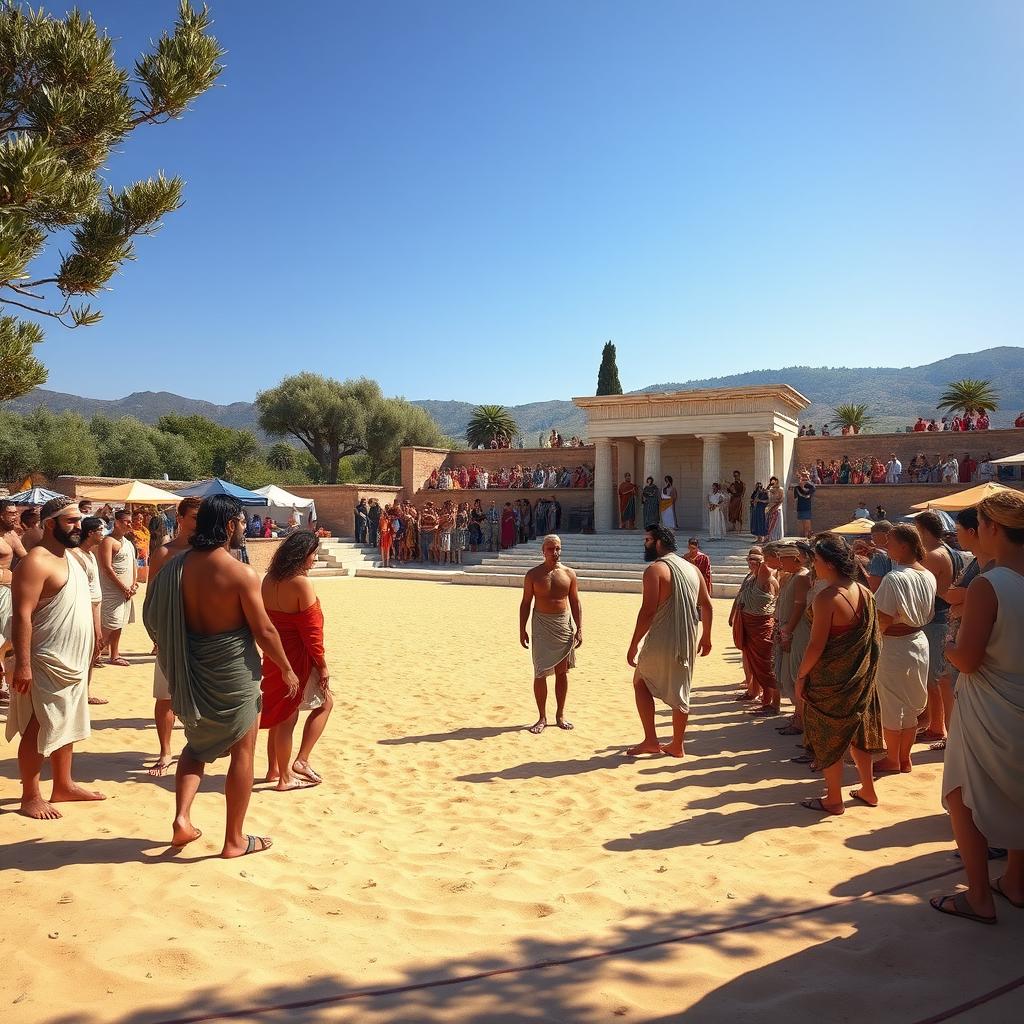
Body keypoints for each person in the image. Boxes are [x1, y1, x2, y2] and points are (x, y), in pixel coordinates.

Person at [142, 495, 299, 858]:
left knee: (195, 748)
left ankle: (182, 818)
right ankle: (234, 840)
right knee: (243, 753)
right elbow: (264, 631)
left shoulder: (174, 568)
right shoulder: (239, 572)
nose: (244, 528)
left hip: (190, 670)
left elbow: (153, 616)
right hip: (232, 674)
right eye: (241, 522)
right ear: (229, 526)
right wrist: (287, 669)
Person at [932, 491, 1024, 925]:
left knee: (960, 795)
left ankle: (978, 895)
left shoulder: (991, 583)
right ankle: (1016, 881)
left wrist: (949, 644)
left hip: (990, 702)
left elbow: (968, 658)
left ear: (992, 528)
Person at [6, 497, 104, 819]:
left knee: (68, 721)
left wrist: (94, 637)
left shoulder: (72, 558)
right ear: (50, 524)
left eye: (79, 520)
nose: (79, 526)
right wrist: (22, 664)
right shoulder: (37, 561)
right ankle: (30, 796)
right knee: (38, 725)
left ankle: (63, 784)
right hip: (45, 661)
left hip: (73, 662)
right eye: (71, 521)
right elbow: (22, 615)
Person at [794, 535, 884, 814]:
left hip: (831, 682)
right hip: (860, 678)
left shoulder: (827, 598)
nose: (814, 565)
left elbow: (816, 645)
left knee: (828, 736)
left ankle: (834, 799)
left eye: (817, 561)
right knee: (859, 732)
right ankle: (868, 789)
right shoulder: (864, 591)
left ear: (830, 564)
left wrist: (801, 677)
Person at [625, 525, 712, 757]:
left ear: (659, 543)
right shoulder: (693, 569)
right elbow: (707, 604)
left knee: (640, 681)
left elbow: (648, 611)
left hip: (662, 639)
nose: (645, 544)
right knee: (681, 691)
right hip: (687, 639)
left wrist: (634, 643)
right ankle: (677, 745)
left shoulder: (655, 570)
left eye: (647, 540)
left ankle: (651, 740)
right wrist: (707, 636)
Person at [260, 532, 333, 790]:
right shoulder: (301, 584)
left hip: (274, 656)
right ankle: (292, 769)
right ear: (303, 554)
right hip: (298, 658)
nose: (314, 559)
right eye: (313, 553)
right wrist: (322, 666)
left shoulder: (268, 580)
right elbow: (313, 633)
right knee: (320, 706)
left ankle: (273, 770)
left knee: (279, 713)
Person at [873, 525, 937, 775]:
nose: (886, 545)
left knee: (891, 704)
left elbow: (883, 620)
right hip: (919, 641)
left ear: (904, 546)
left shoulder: (894, 578)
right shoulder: (928, 575)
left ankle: (892, 759)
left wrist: (870, 647)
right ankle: (904, 758)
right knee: (910, 704)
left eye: (890, 542)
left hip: (895, 645)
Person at [145, 497, 202, 776]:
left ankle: (196, 748)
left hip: (201, 635)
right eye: (193, 517)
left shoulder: (207, 551)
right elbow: (151, 598)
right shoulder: (164, 553)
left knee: (200, 695)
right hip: (170, 633)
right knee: (165, 695)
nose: (198, 523)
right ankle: (165, 750)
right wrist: (155, 634)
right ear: (180, 518)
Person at [519, 535, 582, 734]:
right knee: (540, 672)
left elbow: (575, 602)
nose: (554, 553)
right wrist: (522, 628)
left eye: (557, 549)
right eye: (550, 549)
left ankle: (560, 714)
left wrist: (579, 628)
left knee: (562, 672)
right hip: (541, 626)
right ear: (543, 551)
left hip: (563, 625)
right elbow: (526, 603)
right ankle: (542, 717)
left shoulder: (569, 574)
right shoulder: (533, 575)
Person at [919, 510, 966, 747]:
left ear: (924, 531)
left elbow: (926, 592)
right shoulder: (951, 552)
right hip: (943, 619)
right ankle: (938, 727)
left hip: (936, 620)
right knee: (941, 680)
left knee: (939, 680)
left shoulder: (932, 555)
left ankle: (941, 730)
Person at [775, 543, 813, 735]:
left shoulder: (801, 577)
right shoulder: (791, 577)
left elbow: (799, 606)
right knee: (788, 675)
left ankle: (801, 720)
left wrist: (787, 632)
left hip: (798, 632)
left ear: (795, 558)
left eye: (783, 558)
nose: (780, 562)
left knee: (795, 676)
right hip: (791, 631)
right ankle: (798, 716)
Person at [97, 509, 137, 667]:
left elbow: (133, 565)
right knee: (108, 626)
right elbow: (107, 567)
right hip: (112, 591)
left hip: (126, 592)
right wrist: (123, 587)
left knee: (119, 624)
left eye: (130, 521)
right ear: (117, 522)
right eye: (126, 521)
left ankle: (114, 655)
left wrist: (133, 585)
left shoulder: (127, 543)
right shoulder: (108, 541)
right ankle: (94, 655)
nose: (129, 524)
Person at [73, 517, 106, 706]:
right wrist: (95, 625)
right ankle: (81, 695)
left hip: (94, 609)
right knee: (84, 654)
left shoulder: (91, 554)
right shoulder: (76, 555)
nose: (103, 533)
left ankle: (85, 693)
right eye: (100, 530)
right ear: (91, 533)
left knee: (91, 655)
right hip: (85, 612)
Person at [1, 499, 28, 699]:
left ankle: (3, 683)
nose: (15, 517)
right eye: (10, 513)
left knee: (6, 638)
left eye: (15, 513)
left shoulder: (11, 536)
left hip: (8, 591)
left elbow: (26, 558)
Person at [866, 520, 894, 592]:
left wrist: (860, 565)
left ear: (885, 534)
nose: (873, 539)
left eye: (874, 535)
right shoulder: (897, 553)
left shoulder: (879, 557)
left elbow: (874, 586)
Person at [792, 470, 816, 538]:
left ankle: (808, 540)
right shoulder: (797, 488)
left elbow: (808, 495)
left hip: (807, 508)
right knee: (801, 528)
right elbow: (795, 498)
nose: (804, 479)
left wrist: (803, 487)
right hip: (800, 508)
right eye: (803, 478)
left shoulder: (811, 487)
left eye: (806, 478)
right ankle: (801, 540)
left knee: (807, 527)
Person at [765, 476, 784, 542]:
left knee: (776, 523)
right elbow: (765, 492)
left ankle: (776, 537)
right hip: (770, 507)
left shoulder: (781, 489)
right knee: (769, 523)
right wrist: (769, 486)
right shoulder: (771, 489)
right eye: (771, 481)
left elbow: (781, 500)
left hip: (777, 508)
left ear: (777, 481)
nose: (773, 482)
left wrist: (776, 507)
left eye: (774, 481)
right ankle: (769, 537)